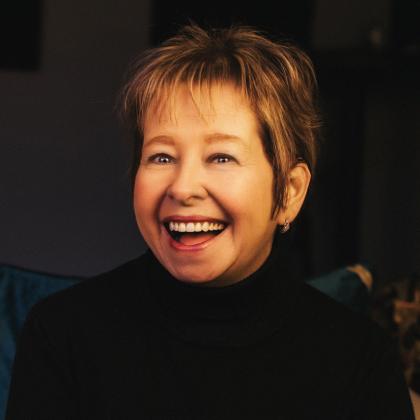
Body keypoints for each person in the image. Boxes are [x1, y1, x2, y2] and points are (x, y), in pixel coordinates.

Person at [6, 24, 414, 419]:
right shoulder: (61, 334)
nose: (183, 188)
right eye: (161, 157)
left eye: (221, 157)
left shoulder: (361, 361)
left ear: (289, 191)